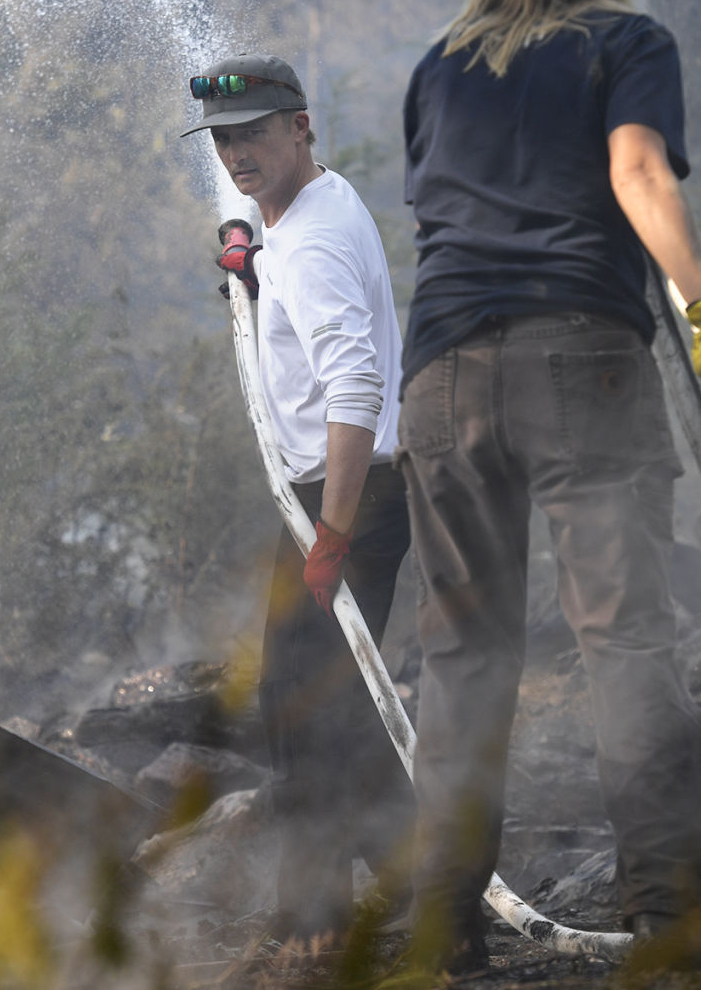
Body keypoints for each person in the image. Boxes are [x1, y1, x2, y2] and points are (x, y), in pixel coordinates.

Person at [396, 0, 701, 973]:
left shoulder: (436, 65)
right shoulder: (627, 43)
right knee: (624, 643)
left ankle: (437, 920)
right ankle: (667, 919)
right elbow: (637, 172)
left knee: (461, 654)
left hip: (443, 377)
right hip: (581, 367)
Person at [182, 54, 414, 944]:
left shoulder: (310, 242)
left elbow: (355, 388)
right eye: (224, 140)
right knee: (311, 695)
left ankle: (313, 910)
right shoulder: (306, 203)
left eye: (253, 134)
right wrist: (248, 253)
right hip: (334, 494)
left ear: (299, 127)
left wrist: (334, 535)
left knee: (307, 704)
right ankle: (410, 873)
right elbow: (260, 206)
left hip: (347, 495)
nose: (236, 154)